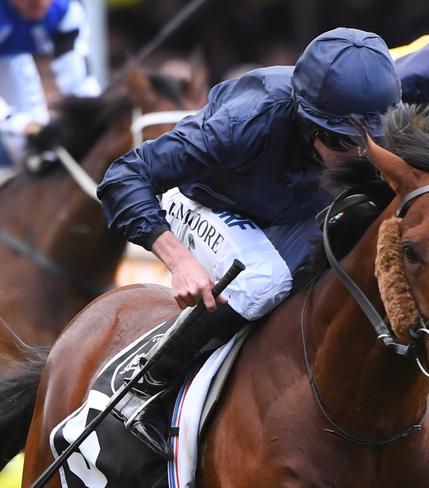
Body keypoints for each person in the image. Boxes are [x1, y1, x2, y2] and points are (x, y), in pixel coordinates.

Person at [97, 27, 401, 459]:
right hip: (201, 199)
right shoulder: (245, 121)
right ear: (307, 119)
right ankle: (149, 387)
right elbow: (124, 176)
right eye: (341, 141)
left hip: (287, 212)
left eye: (369, 142)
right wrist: (179, 260)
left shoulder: (371, 122)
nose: (359, 157)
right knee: (265, 278)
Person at [0, 0, 100, 179]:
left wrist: (94, 117)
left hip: (13, 60)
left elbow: (78, 82)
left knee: (38, 148)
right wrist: (22, 124)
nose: (38, 2)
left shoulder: (65, 11)